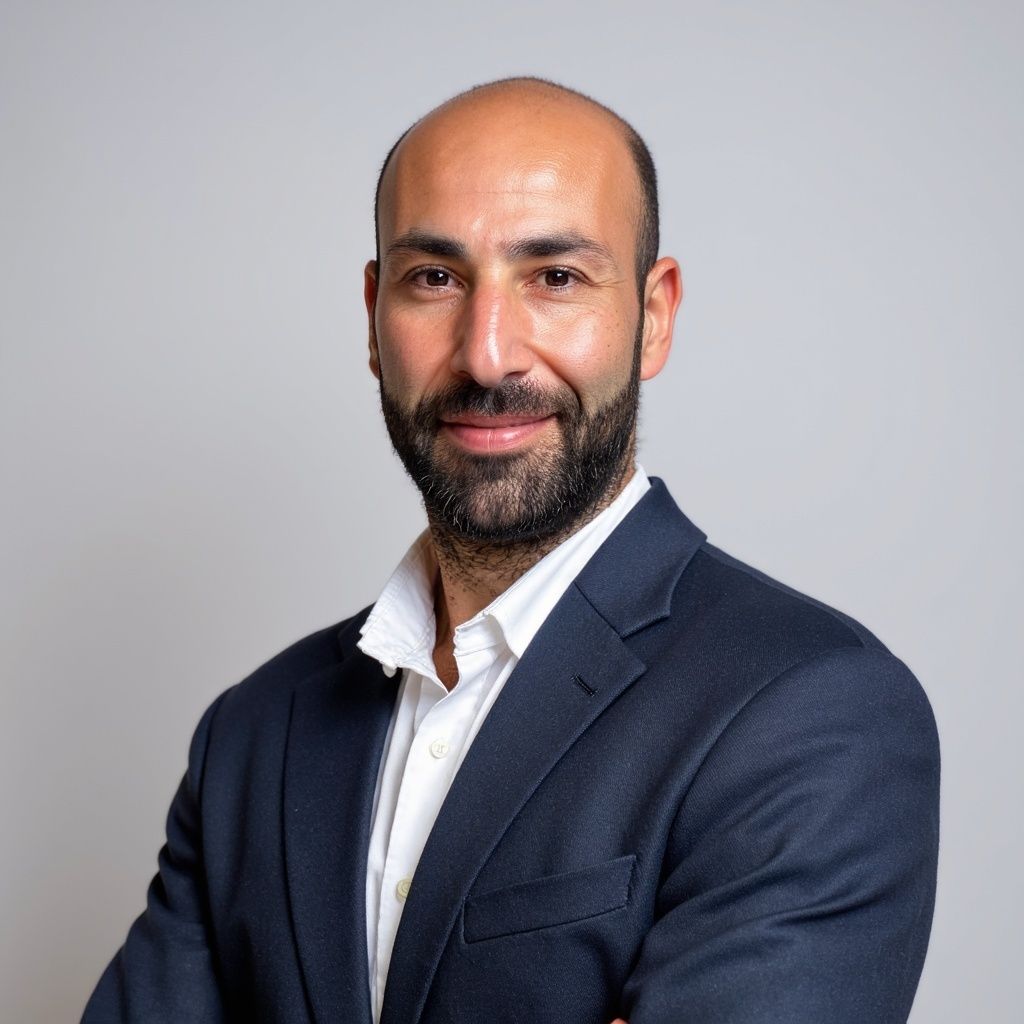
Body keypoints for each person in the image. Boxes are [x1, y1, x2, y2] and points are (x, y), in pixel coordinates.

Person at [82, 77, 940, 1024]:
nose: (487, 354)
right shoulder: (254, 733)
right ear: (373, 315)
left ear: (654, 315)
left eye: (555, 277)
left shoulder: (812, 711)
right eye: (434, 278)